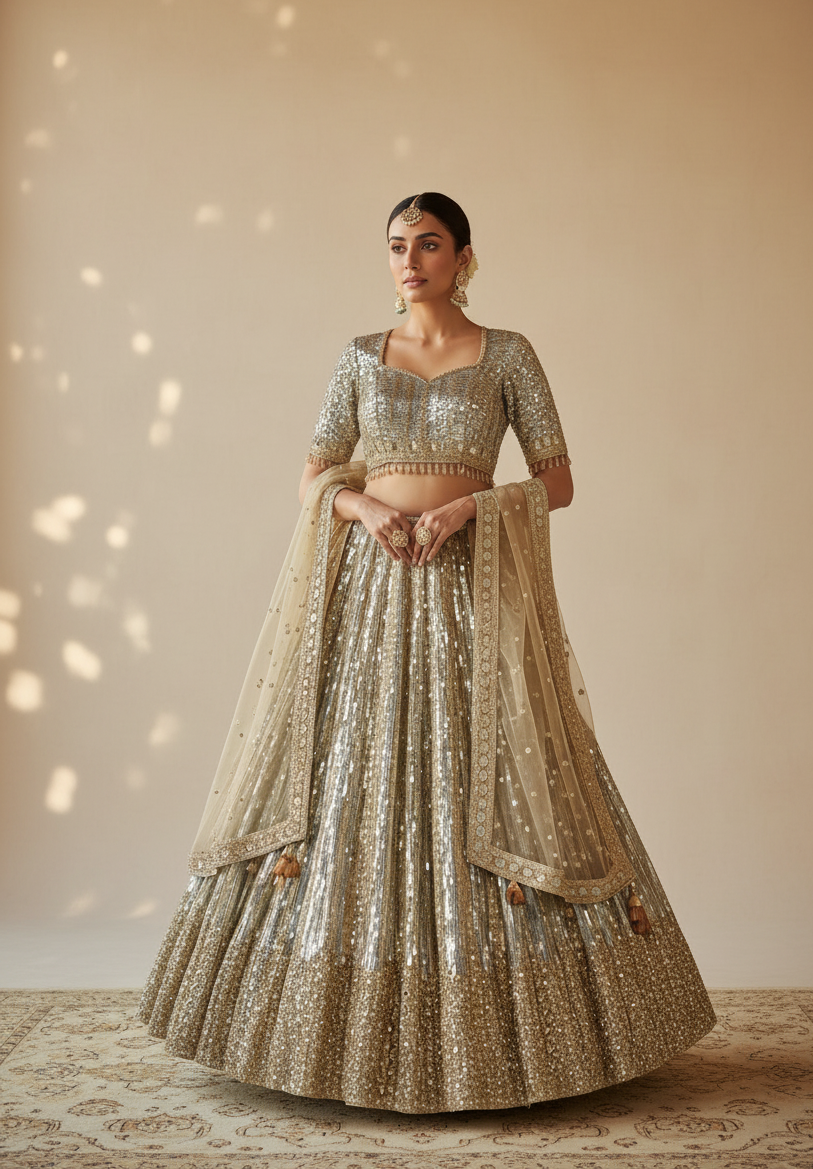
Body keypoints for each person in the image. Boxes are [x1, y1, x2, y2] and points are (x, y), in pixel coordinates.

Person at [138, 192, 715, 1114]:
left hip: (471, 590)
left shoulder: (509, 355)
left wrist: (470, 509)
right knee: (358, 772)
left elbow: (558, 482)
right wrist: (364, 507)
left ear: (465, 257)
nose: (410, 261)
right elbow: (315, 472)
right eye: (398, 246)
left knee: (487, 764)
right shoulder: (359, 358)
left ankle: (516, 1043)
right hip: (374, 590)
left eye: (430, 245)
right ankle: (325, 1033)